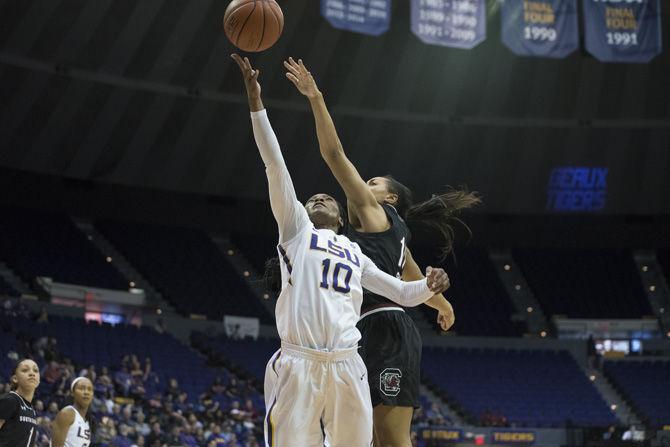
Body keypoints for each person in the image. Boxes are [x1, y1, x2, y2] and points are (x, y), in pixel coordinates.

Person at [232, 53, 450, 447]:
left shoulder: (363, 236)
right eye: (311, 198)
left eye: (325, 198)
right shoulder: (298, 230)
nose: (319, 197)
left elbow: (401, 291)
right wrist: (255, 103)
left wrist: (433, 287)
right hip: (303, 358)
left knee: (379, 440)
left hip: (353, 359)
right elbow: (274, 163)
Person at [283, 57, 481, 446]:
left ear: (388, 197)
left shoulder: (375, 212)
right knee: (366, 439)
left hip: (386, 328)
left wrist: (315, 97)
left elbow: (335, 156)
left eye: (372, 181)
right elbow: (415, 283)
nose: (362, 184)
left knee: (390, 438)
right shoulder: (395, 237)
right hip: (360, 334)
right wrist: (445, 308)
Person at [0, 358, 41, 446]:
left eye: (36, 370)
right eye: (25, 370)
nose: (32, 373)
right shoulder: (10, 400)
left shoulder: (31, 409)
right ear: (15, 378)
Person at [51, 377, 94, 447]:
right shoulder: (67, 413)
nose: (86, 392)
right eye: (81, 388)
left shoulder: (88, 422)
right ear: (72, 393)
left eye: (90, 389)